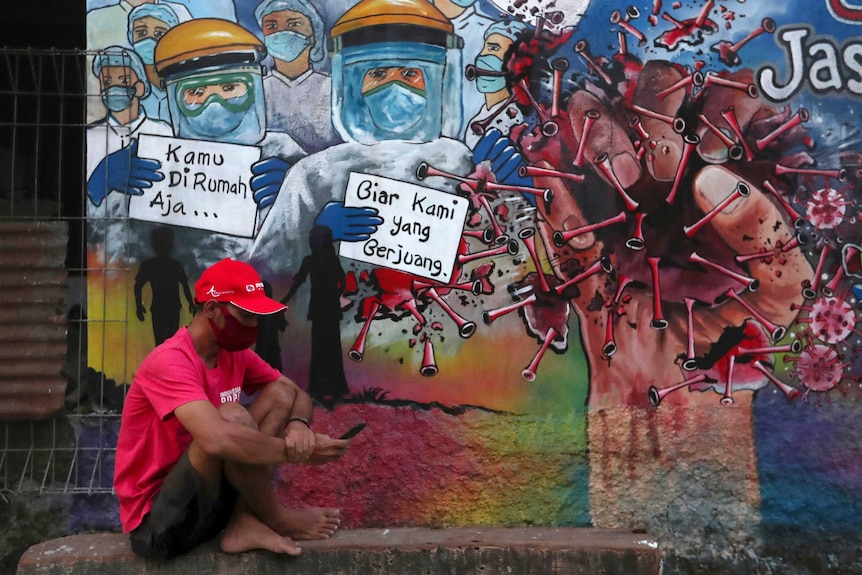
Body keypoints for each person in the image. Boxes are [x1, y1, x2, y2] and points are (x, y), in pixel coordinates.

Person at [114, 258, 350, 559]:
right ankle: (274, 517)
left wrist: (299, 426)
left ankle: (242, 521)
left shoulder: (233, 354)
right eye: (247, 316)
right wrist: (298, 452)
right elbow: (216, 440)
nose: (254, 326)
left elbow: (295, 395)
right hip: (161, 526)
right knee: (230, 416)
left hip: (212, 505)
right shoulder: (170, 360)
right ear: (213, 310)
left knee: (278, 394)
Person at [256, 0, 342, 153]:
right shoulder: (257, 92)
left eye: (294, 24)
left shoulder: (332, 90)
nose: (281, 32)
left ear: (313, 36)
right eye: (271, 26)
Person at [282, 226, 350, 405]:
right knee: (331, 348)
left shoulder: (310, 261)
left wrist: (284, 300)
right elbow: (342, 282)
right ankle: (334, 390)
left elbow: (297, 283)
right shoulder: (331, 260)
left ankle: (320, 389)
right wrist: (335, 296)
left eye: (314, 238)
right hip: (330, 310)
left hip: (320, 310)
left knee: (320, 348)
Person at [464, 20, 528, 148]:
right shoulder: (482, 114)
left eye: (493, 49)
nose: (482, 56)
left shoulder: (513, 120)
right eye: (485, 48)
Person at [127, 3, 188, 123]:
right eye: (141, 33)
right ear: (131, 36)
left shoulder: (183, 83)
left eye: (159, 34)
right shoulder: (129, 85)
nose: (149, 39)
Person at [134, 226, 195, 346]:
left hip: (165, 308)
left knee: (164, 342)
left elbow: (138, 286)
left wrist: (139, 307)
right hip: (168, 308)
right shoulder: (174, 265)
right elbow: (185, 286)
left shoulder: (150, 265)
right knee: (169, 342)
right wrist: (191, 304)